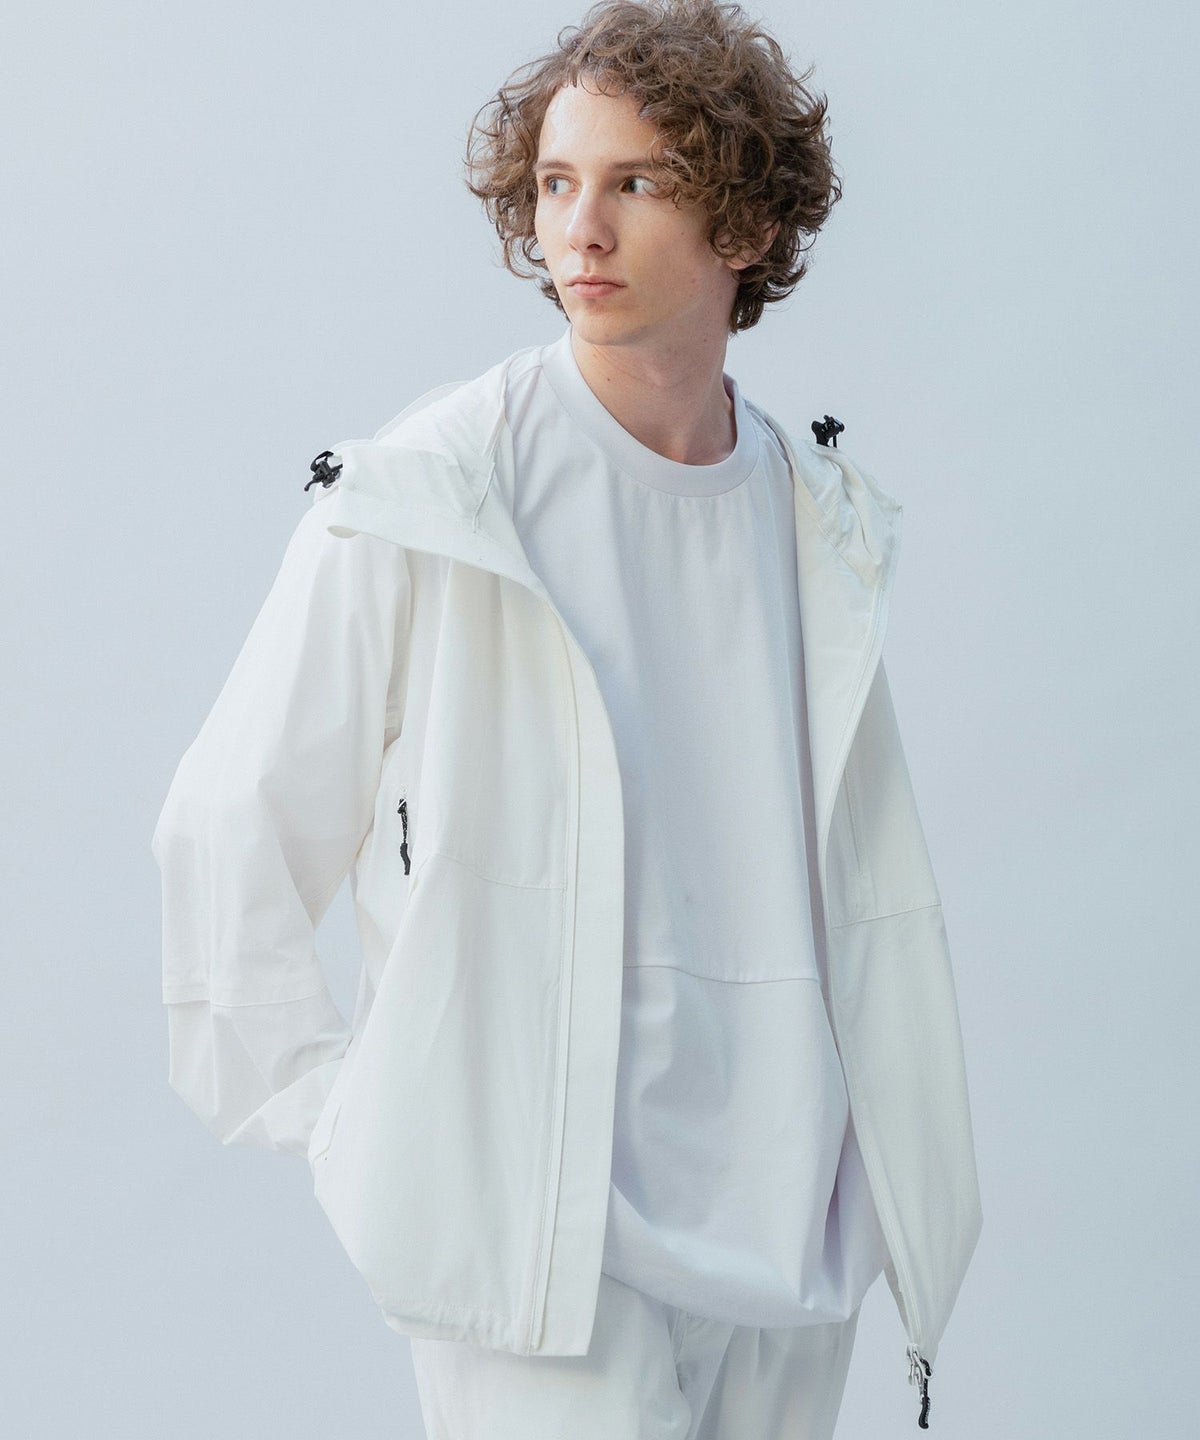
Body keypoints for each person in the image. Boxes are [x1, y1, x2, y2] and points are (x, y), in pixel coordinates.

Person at [151, 1, 982, 1435]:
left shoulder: (819, 517)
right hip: (542, 1245)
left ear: (745, 224)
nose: (576, 230)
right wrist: (355, 1124)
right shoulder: (437, 490)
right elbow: (231, 825)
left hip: (794, 1235)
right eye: (553, 183)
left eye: (635, 182)